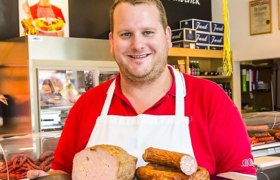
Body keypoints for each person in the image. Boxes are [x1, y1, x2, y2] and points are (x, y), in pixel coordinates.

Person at [28, 0, 257, 179]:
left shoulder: (210, 99)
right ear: (112, 42)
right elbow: (64, 173)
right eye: (126, 34)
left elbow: (240, 175)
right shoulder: (87, 105)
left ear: (167, 37)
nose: (137, 44)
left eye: (148, 32)